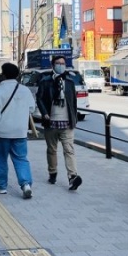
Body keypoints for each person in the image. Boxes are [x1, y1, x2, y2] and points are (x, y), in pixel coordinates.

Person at [0, 63, 35, 199]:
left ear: (4, 75)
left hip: (2, 132)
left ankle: (1, 187)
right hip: (20, 132)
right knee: (21, 159)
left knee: (1, 159)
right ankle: (26, 184)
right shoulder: (25, 90)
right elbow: (31, 108)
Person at [36, 55, 82, 191]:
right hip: (51, 121)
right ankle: (52, 172)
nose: (61, 65)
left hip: (67, 122)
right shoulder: (45, 81)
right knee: (52, 149)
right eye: (58, 63)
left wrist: (74, 118)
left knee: (69, 150)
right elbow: (39, 98)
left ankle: (72, 177)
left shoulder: (70, 82)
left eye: (63, 63)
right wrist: (44, 113)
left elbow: (73, 102)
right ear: (53, 65)